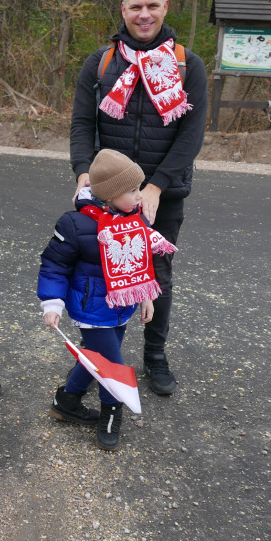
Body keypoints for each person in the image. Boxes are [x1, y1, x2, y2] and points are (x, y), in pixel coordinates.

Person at [70, 0, 207, 396]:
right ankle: (106, 357)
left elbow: (192, 134)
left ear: (166, 7)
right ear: (123, 10)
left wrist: (157, 187)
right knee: (105, 271)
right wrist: (83, 175)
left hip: (164, 193)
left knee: (157, 274)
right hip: (108, 194)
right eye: (135, 8)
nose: (143, 15)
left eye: (151, 6)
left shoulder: (187, 64)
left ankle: (155, 356)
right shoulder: (101, 63)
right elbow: (81, 124)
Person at [38, 149, 177, 450]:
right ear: (110, 195)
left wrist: (146, 297)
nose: (140, 196)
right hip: (92, 309)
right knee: (112, 367)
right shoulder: (77, 225)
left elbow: (141, 263)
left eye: (139, 188)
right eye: (132, 190)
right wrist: (52, 303)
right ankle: (111, 414)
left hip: (121, 306)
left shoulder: (134, 218)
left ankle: (66, 400)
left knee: (96, 358)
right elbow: (54, 265)